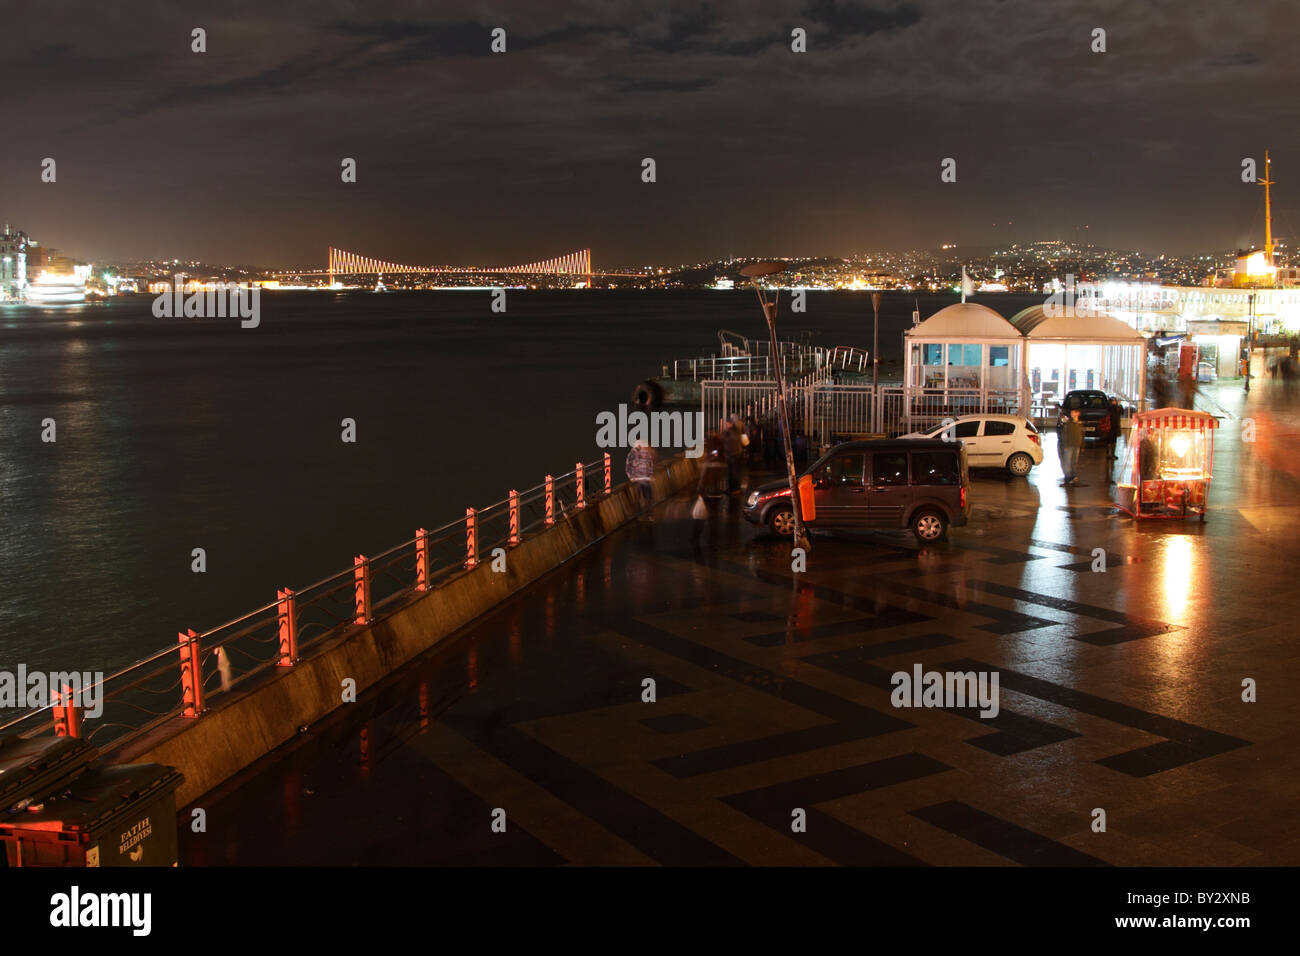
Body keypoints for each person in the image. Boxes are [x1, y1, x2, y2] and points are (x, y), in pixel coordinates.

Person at [625, 441, 657, 517]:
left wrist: (649, 474)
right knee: (639, 497)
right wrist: (631, 477)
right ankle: (641, 514)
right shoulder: (631, 455)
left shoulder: (646, 453)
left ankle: (648, 513)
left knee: (648, 495)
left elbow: (650, 464)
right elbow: (628, 467)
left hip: (645, 479)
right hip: (637, 479)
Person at [1059, 408, 1084, 485]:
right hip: (1069, 445)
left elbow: (1082, 435)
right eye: (1071, 412)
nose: (1071, 414)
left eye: (1073, 412)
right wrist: (1065, 445)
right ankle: (1068, 477)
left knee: (1074, 462)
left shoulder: (1079, 424)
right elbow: (1064, 435)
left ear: (1077, 413)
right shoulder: (1068, 423)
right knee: (1068, 462)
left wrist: (1082, 445)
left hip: (1076, 445)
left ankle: (1073, 476)